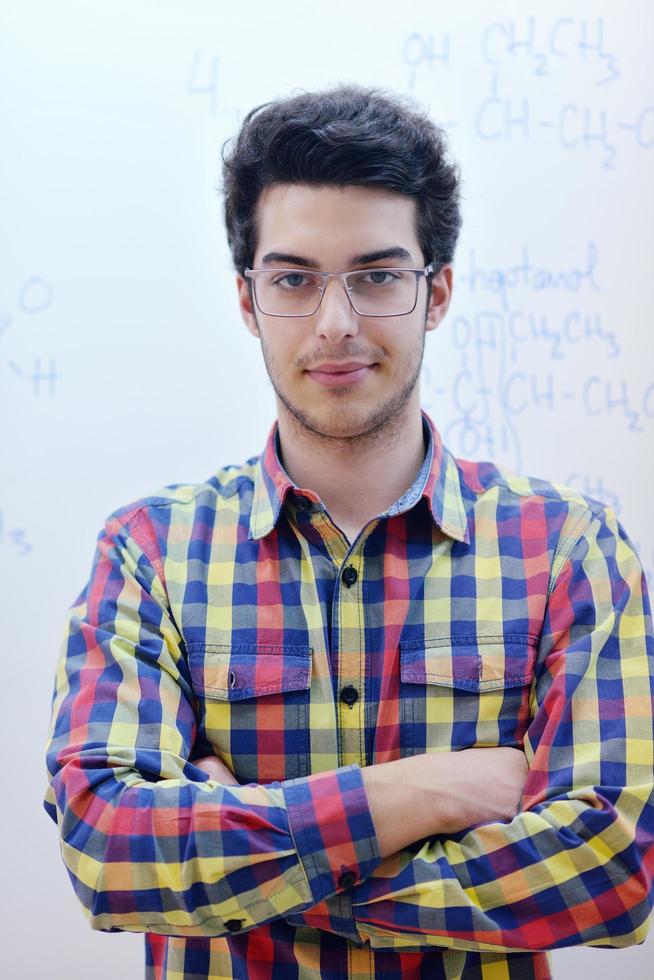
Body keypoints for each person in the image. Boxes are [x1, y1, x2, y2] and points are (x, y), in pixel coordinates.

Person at [44, 82, 654, 980]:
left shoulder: (568, 547)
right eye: (294, 279)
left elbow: (613, 871)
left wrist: (261, 862)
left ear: (435, 291)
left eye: (376, 276)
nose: (336, 324)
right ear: (249, 302)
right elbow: (108, 850)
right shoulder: (150, 554)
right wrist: (424, 792)